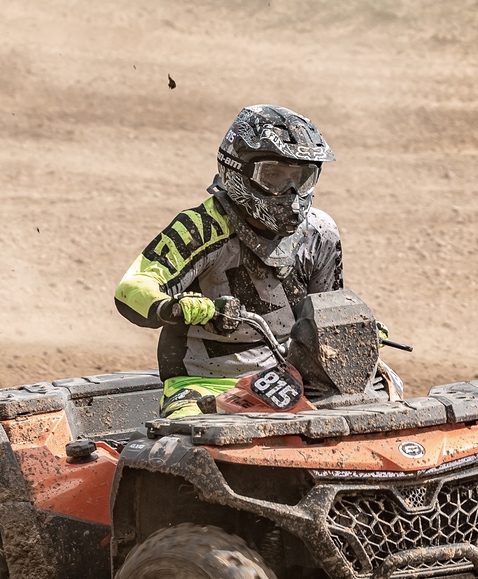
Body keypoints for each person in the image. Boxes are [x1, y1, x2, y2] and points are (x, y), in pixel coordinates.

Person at [115, 105, 343, 418]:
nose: (291, 193)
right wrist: (179, 308)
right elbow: (131, 289)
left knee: (378, 392)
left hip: (286, 380)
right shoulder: (199, 228)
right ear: (237, 170)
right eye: (273, 176)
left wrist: (353, 328)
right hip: (201, 386)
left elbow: (327, 313)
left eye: (302, 179)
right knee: (193, 433)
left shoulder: (319, 233)